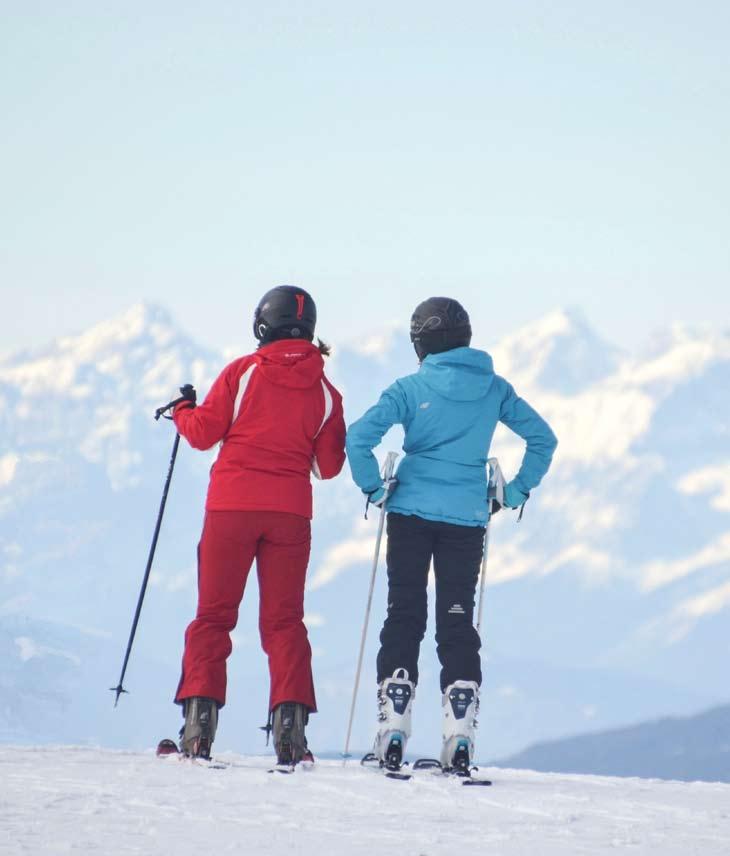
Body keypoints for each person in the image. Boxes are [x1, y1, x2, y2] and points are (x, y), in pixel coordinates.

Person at [345, 297, 557, 773]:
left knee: (403, 615)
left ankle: (392, 731)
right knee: (457, 623)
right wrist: (513, 493)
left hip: (409, 513)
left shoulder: (409, 387)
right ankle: (459, 738)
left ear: (420, 342)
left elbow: (357, 438)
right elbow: (544, 439)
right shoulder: (495, 389)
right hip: (467, 517)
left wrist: (376, 490)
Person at [172, 286, 346, 766]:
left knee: (213, 617)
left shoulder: (243, 372)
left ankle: (198, 729)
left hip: (230, 508)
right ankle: (290, 733)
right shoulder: (327, 392)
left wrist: (182, 413)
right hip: (290, 514)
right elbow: (329, 467)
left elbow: (204, 433)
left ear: (261, 326)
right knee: (284, 622)